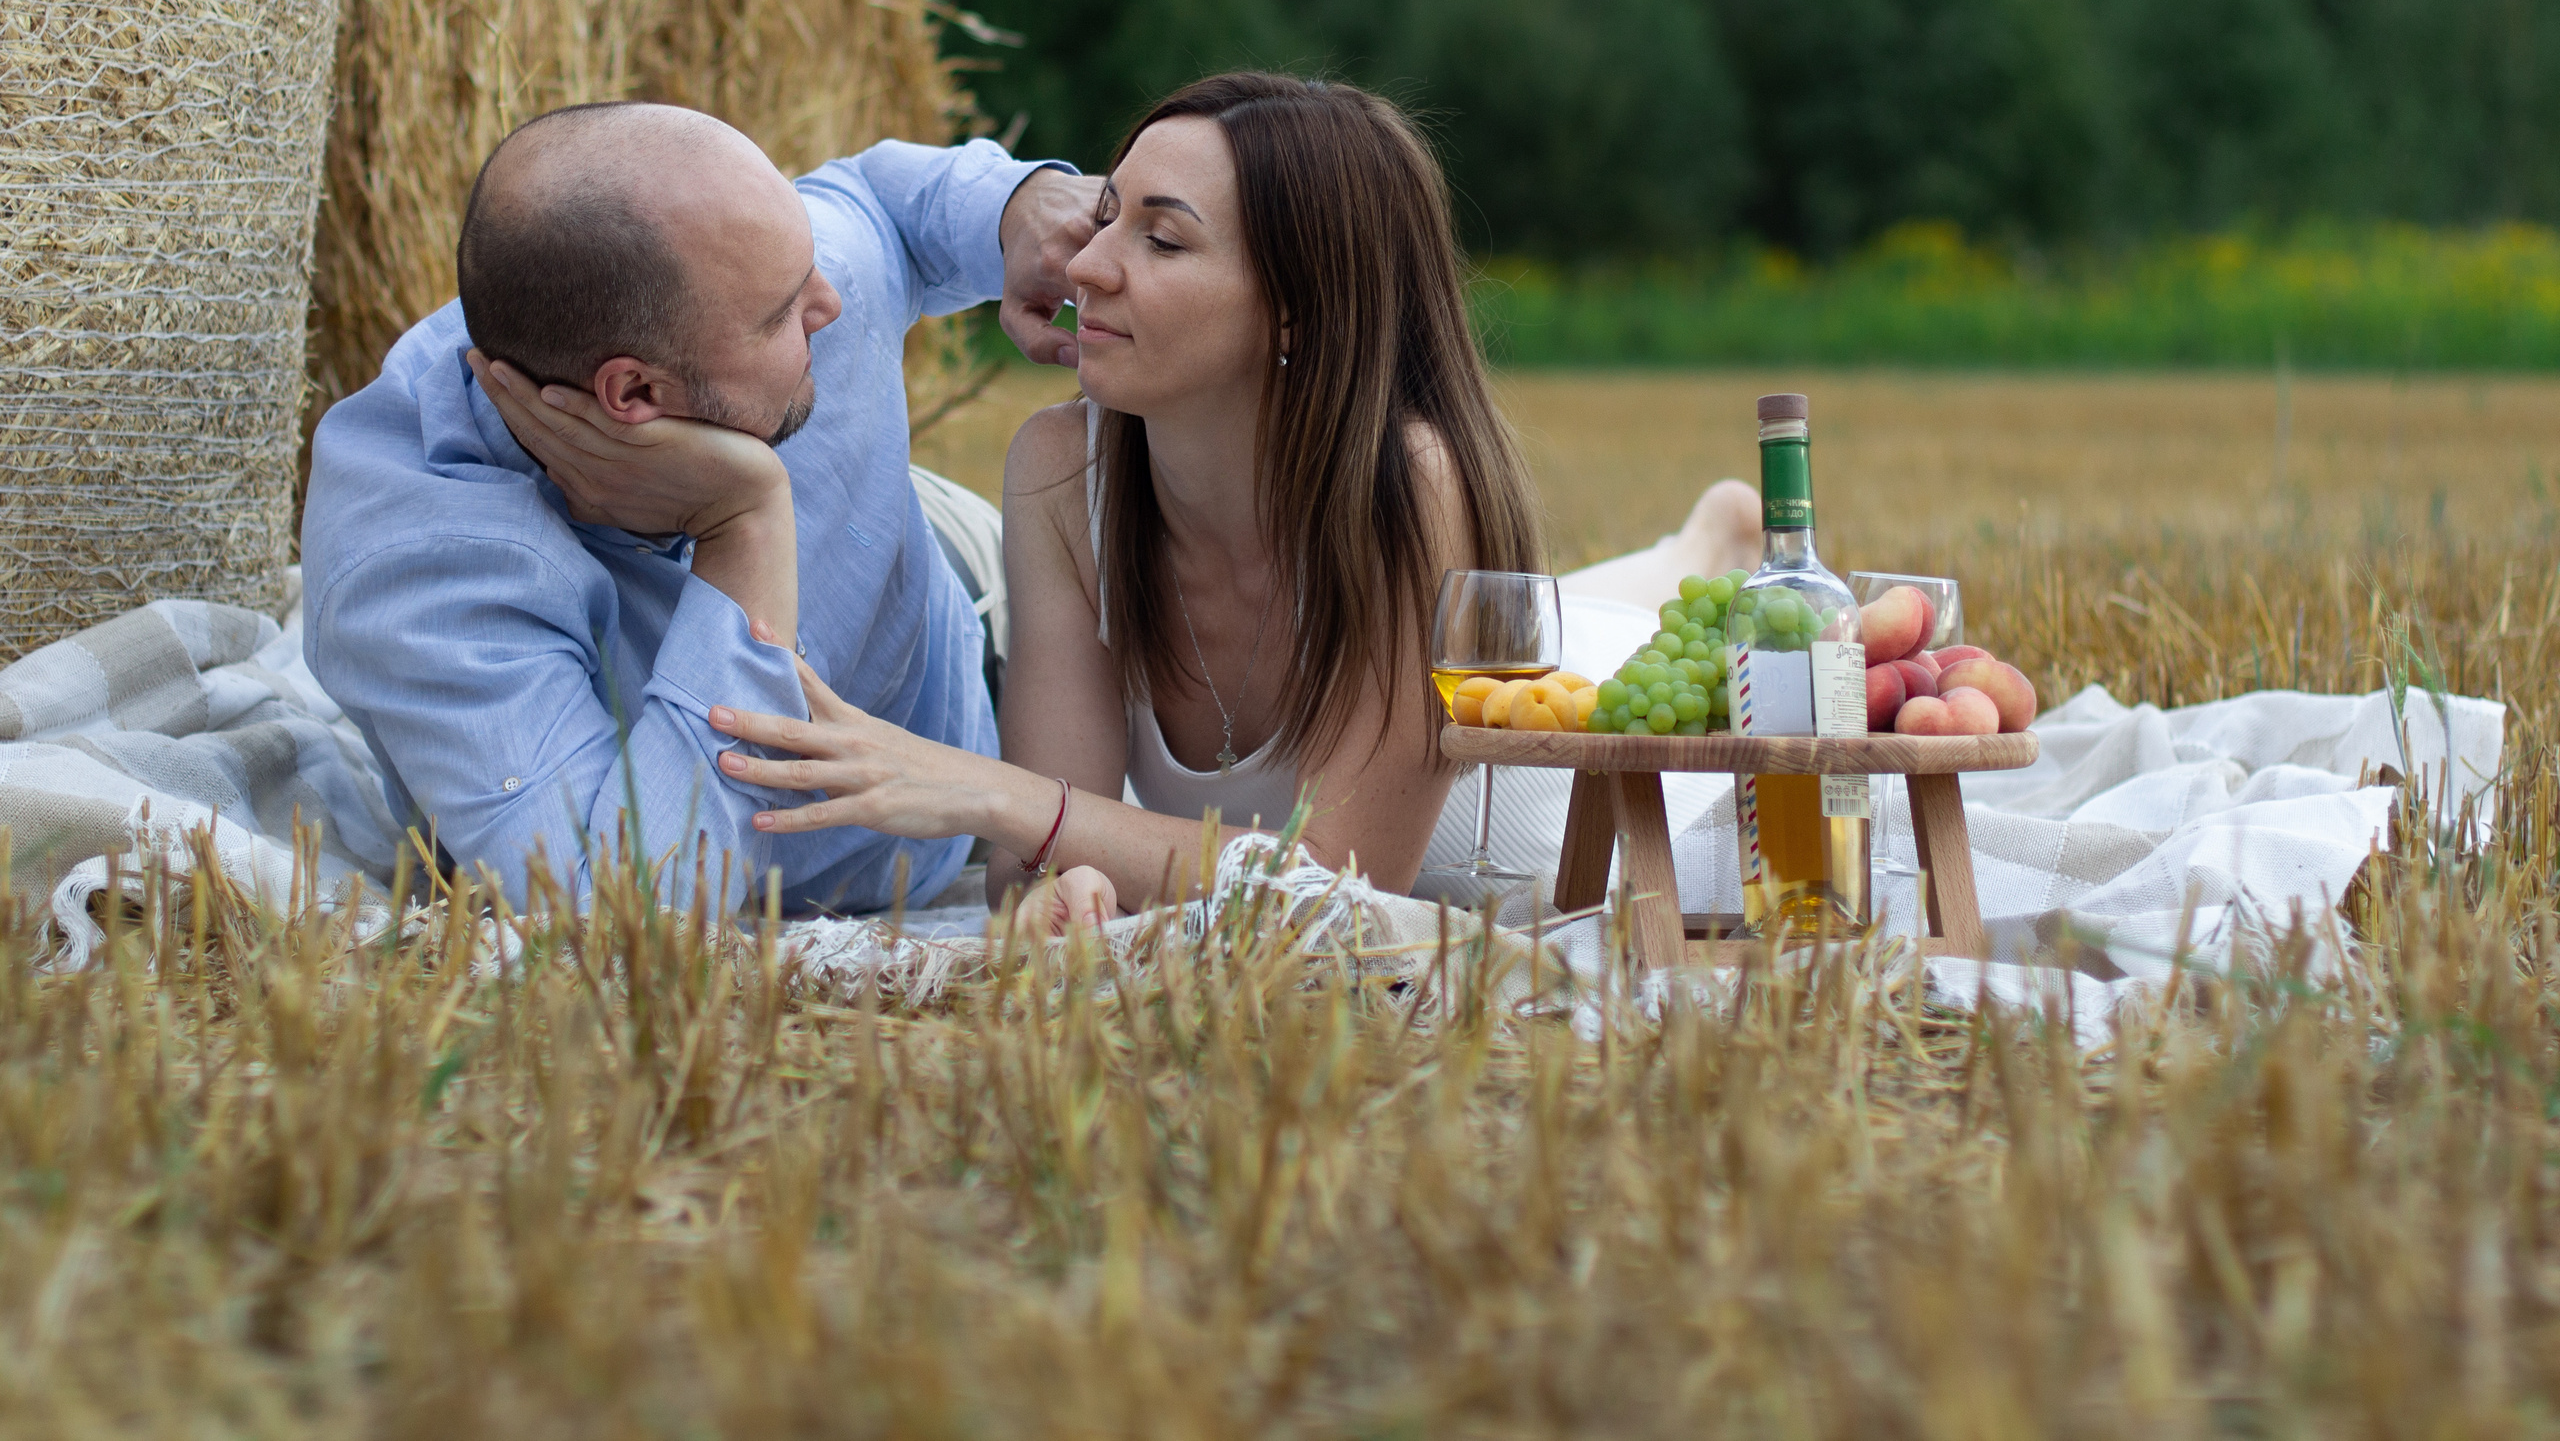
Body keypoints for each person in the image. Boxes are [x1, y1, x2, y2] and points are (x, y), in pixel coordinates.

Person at [695, 74, 1757, 928]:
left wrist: (983, 791)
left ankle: (1701, 554)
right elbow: (1043, 856)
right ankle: (1693, 544)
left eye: (1159, 240)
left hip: (1592, 828)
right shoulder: (1061, 471)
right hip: (1381, 734)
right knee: (1535, 613)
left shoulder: (1412, 483)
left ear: (1294, 314)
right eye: (1104, 215)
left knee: (1593, 642)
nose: (1086, 265)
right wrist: (1062, 890)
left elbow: (1336, 889)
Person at [300, 102, 1096, 915]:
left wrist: (1016, 203)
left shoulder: (771, 275)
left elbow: (881, 204)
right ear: (636, 392)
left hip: (979, 612)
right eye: (785, 312)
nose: (830, 304)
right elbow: (617, 916)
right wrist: (742, 525)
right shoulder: (419, 570)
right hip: (843, 862)